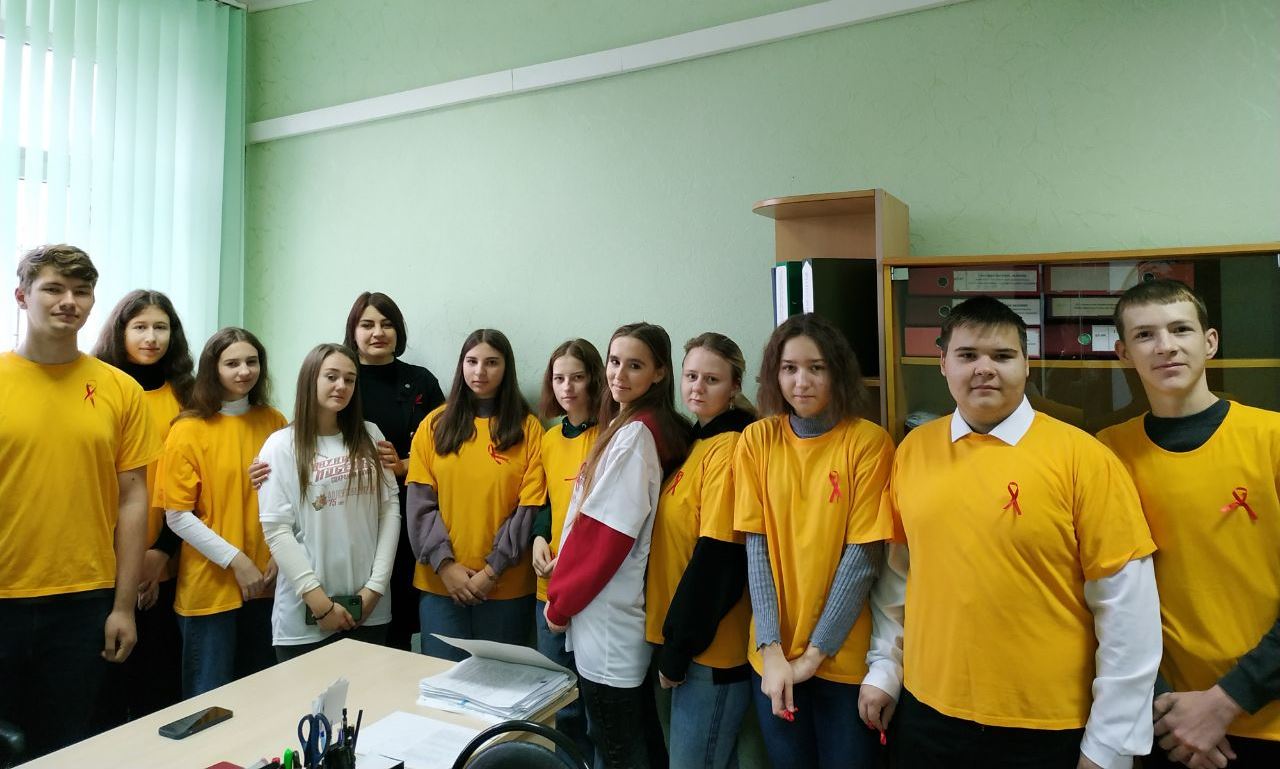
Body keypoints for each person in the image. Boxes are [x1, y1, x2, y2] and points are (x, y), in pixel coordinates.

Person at [861, 295, 1162, 769]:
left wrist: (1110, 745)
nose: (984, 369)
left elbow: (1127, 609)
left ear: (1026, 364)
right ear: (943, 364)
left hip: (1047, 725)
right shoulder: (913, 450)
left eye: (1002, 356)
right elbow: (898, 577)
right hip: (927, 711)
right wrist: (884, 669)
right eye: (967, 355)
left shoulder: (1084, 458)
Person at [1098, 279, 1280, 769]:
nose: (1166, 346)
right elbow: (1108, 595)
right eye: (1145, 335)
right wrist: (1166, 709)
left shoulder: (1272, 438)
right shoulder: (1107, 453)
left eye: (1181, 329)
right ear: (1123, 353)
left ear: (1210, 341)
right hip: (1168, 722)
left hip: (1267, 714)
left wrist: (1227, 701)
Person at [0, 245, 159, 760]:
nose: (68, 301)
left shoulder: (120, 389)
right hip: (3, 596)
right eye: (53, 288)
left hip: (84, 601)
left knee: (65, 749)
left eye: (81, 291)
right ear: (21, 296)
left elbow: (133, 499)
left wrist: (123, 606)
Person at [732, 314, 893, 769]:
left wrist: (813, 656)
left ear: (837, 371)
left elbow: (862, 559)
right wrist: (772, 650)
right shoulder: (757, 440)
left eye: (816, 368)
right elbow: (757, 549)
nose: (801, 382)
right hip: (773, 662)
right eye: (789, 368)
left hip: (843, 661)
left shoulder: (868, 443)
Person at [546, 322, 690, 769]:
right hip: (612, 616)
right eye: (614, 361)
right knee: (632, 743)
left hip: (608, 621)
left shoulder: (636, 436)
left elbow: (604, 537)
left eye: (635, 366)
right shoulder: (630, 425)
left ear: (660, 373)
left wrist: (559, 603)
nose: (619, 375)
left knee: (617, 750)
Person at [155, 327, 287, 697]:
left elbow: (292, 498)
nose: (244, 371)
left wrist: (280, 555)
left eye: (252, 362)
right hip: (210, 590)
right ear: (213, 369)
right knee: (209, 705)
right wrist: (237, 561)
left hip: (268, 584)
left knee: (262, 699)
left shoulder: (274, 422)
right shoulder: (188, 429)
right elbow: (178, 516)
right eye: (232, 363)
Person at [647, 332, 756, 769]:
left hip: (709, 652)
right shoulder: (695, 441)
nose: (697, 387)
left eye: (712, 379)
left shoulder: (729, 448)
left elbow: (719, 560)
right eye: (691, 376)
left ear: (734, 386)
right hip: (683, 643)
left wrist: (679, 648)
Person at [406, 329, 545, 661]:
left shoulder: (528, 429)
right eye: (472, 361)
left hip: (506, 587)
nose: (480, 371)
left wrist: (492, 571)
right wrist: (445, 566)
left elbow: (529, 509)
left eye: (491, 362)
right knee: (441, 683)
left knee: (499, 685)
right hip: (441, 585)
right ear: (461, 366)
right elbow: (420, 506)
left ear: (506, 368)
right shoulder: (433, 425)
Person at [257, 343, 400, 660]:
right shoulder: (280, 445)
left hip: (369, 610)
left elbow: (389, 512)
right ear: (311, 379)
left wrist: (374, 589)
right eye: (331, 376)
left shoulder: (371, 435)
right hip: (305, 616)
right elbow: (277, 530)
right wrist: (320, 604)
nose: (341, 386)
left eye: (350, 379)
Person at [91, 289, 195, 720]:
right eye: (140, 327)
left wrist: (159, 553)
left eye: (160, 327)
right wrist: (129, 565)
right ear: (120, 332)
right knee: (106, 692)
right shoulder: (98, 388)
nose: (151, 338)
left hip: (169, 558)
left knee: (160, 689)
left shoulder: (189, 395)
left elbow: (196, 484)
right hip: (104, 560)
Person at [343, 292, 445, 650]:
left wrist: (404, 465)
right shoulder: (342, 378)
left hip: (406, 509)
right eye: (367, 324)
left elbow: (445, 450)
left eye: (386, 324)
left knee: (398, 616)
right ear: (353, 331)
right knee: (350, 611)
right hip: (347, 511)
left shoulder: (420, 381)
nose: (378, 332)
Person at [532, 338, 606, 764]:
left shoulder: (610, 435)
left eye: (577, 377)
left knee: (597, 708)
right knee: (563, 706)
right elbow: (545, 502)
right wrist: (538, 539)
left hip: (593, 589)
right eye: (559, 378)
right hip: (550, 588)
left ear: (594, 379)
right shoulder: (549, 438)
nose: (567, 388)